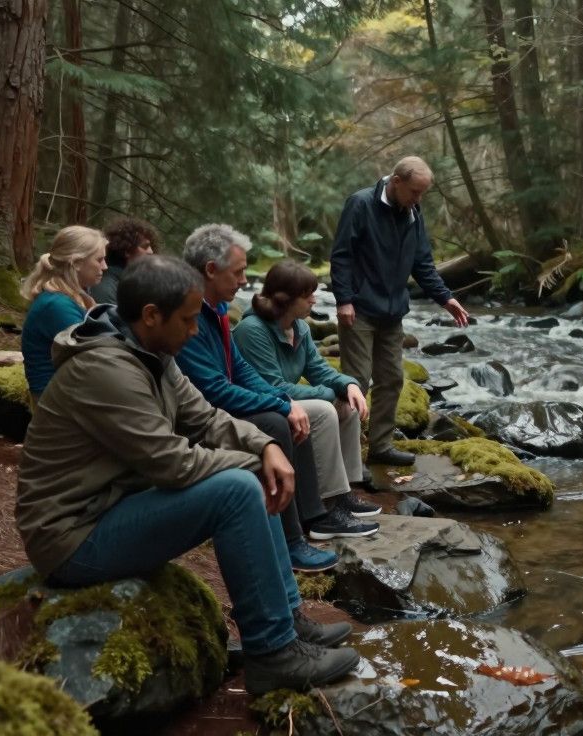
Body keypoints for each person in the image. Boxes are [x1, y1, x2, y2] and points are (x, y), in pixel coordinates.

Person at [14, 255, 359, 695]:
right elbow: (173, 464)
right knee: (238, 487)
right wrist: (253, 462)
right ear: (152, 316)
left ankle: (287, 621)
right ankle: (272, 654)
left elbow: (207, 419)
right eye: (188, 320)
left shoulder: (151, 350)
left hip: (110, 505)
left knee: (249, 471)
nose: (196, 331)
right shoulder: (106, 371)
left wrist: (265, 445)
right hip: (71, 537)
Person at [176, 224, 381, 560]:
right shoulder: (200, 316)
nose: (244, 281)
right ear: (211, 270)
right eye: (239, 272)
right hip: (199, 419)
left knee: (293, 411)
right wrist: (283, 403)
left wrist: (342, 385)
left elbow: (241, 369)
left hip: (222, 405)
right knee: (282, 419)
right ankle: (306, 524)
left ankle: (335, 500)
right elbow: (215, 389)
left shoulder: (220, 310)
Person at [331, 156, 469, 466]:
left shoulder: (412, 212)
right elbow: (341, 256)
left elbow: (422, 263)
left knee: (392, 379)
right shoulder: (361, 204)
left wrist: (445, 298)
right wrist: (343, 300)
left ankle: (380, 447)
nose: (418, 200)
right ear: (396, 182)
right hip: (360, 309)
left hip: (393, 313)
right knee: (355, 381)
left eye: (422, 194)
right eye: (414, 192)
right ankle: (348, 462)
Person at [232, 261, 374, 519]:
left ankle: (344, 492)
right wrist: (330, 394)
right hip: (259, 407)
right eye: (307, 294)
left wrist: (348, 384)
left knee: (348, 405)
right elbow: (273, 387)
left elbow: (319, 370)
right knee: (323, 410)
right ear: (284, 298)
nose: (314, 299)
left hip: (283, 400)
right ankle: (328, 501)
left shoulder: (300, 328)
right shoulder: (251, 331)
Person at [20, 226, 107, 397]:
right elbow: (91, 360)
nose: (105, 266)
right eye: (99, 260)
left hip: (66, 396)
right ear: (76, 263)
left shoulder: (72, 297)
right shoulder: (57, 305)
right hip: (55, 406)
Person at [90, 216, 159, 304]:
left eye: (151, 247)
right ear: (127, 250)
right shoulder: (106, 286)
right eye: (145, 247)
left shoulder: (131, 283)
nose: (151, 252)